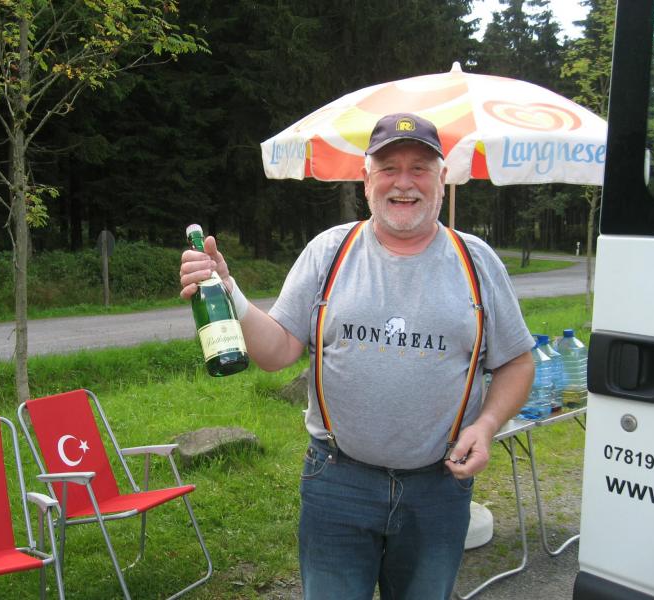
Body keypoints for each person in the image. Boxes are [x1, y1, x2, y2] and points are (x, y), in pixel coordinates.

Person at [179, 112, 535, 600]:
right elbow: (277, 352)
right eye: (388, 168)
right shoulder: (328, 251)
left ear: (442, 179)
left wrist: (487, 425)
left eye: (419, 168)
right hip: (337, 482)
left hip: (439, 487)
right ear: (367, 180)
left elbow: (517, 362)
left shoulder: (477, 261)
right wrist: (229, 290)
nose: (403, 182)